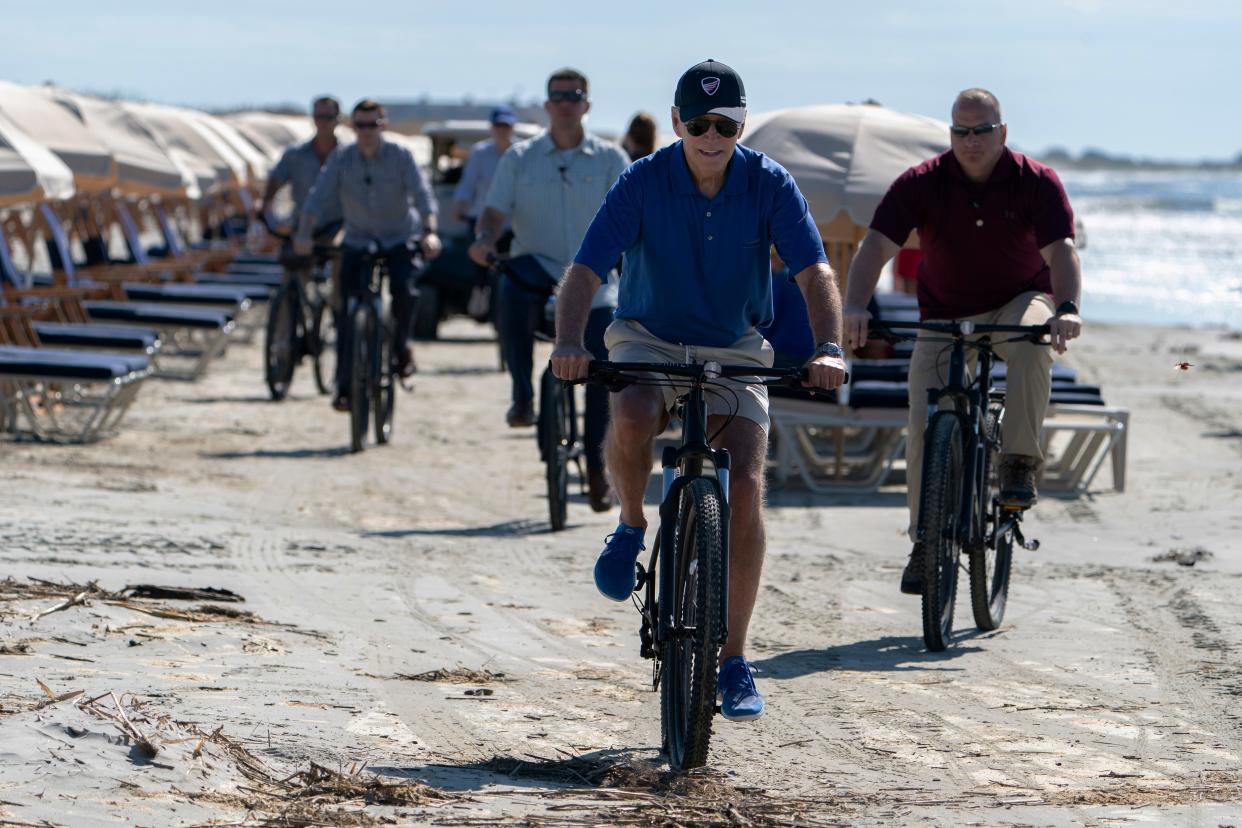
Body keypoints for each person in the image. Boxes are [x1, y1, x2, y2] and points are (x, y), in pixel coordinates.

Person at [551, 60, 847, 721]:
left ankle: (734, 659)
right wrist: (569, 342)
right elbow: (585, 269)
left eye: (728, 124)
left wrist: (828, 348)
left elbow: (814, 272)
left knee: (744, 482)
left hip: (733, 346)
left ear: (742, 124)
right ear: (679, 121)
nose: (713, 135)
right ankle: (630, 524)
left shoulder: (769, 183)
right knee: (629, 408)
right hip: (649, 336)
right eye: (700, 123)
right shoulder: (643, 180)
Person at [841, 87, 1083, 596]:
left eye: (982, 131)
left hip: (1018, 302)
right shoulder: (922, 182)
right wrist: (856, 305)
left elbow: (1061, 251)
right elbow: (875, 248)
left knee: (1035, 340)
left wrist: (1066, 309)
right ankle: (925, 542)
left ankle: (1018, 463)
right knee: (922, 415)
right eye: (961, 131)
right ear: (950, 133)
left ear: (1003, 132)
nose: (970, 141)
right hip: (945, 314)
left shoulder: (1035, 182)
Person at [468, 67, 629, 513]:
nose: (565, 102)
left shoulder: (611, 159)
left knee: (601, 363)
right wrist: (484, 240)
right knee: (510, 293)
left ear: (586, 105)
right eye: (557, 96)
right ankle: (521, 395)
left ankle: (599, 472)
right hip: (536, 270)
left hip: (595, 280)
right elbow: (495, 212)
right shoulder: (519, 158)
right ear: (546, 104)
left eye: (574, 95)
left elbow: (634, 219)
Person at [296, 98, 442, 410]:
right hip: (359, 240)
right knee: (347, 313)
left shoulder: (400, 156)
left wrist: (429, 231)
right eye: (359, 125)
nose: (365, 131)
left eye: (371, 125)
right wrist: (304, 233)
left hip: (398, 238)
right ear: (352, 127)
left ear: (382, 125)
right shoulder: (342, 158)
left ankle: (402, 348)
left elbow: (422, 196)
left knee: (405, 290)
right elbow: (317, 198)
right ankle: (345, 385)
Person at [255, 96, 343, 236]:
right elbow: (275, 180)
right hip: (301, 228)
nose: (323, 122)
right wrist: (266, 208)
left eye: (328, 117)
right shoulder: (295, 154)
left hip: (339, 228)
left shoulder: (348, 156)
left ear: (338, 119)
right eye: (319, 116)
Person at [451, 105, 517, 226]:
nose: (502, 130)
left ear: (512, 128)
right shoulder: (480, 152)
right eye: (498, 126)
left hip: (514, 225)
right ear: (492, 127)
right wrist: (460, 205)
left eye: (506, 126)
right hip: (483, 221)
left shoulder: (522, 152)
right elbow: (468, 183)